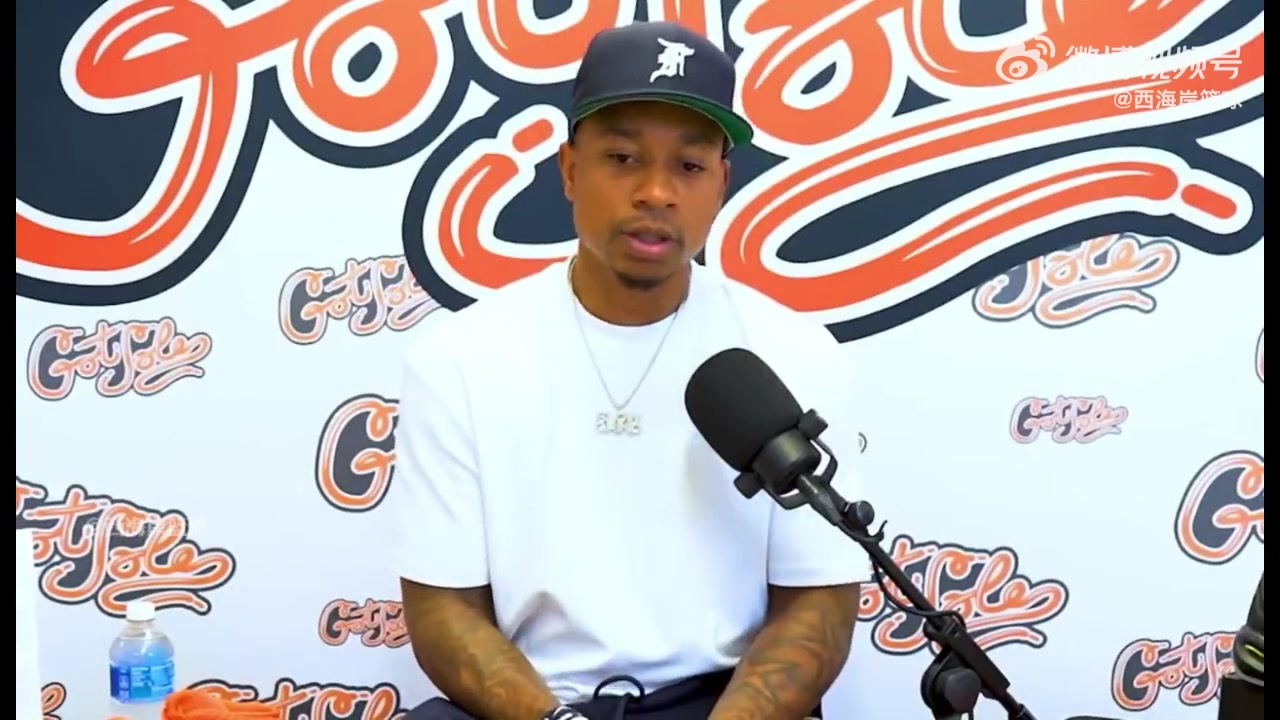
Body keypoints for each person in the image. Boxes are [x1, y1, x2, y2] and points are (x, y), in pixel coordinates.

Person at [393, 20, 868, 720]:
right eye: (622, 158)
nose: (656, 192)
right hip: (535, 707)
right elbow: (443, 609)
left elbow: (817, 604)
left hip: (721, 704)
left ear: (721, 183)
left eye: (689, 166)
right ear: (569, 170)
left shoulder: (795, 353)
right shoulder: (460, 358)